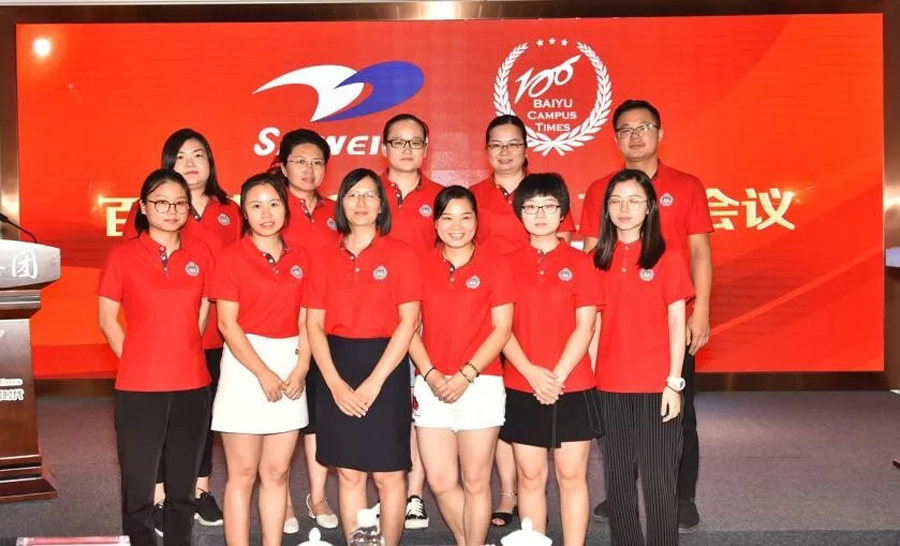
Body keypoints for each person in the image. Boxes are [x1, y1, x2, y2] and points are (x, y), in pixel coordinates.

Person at [580, 100, 713, 532]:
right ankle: (622, 502)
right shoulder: (599, 194)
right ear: (615, 137)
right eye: (625, 129)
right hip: (614, 347)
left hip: (668, 331)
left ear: (659, 132)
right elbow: (591, 267)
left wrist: (701, 311)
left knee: (674, 422)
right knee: (617, 450)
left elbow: (700, 252)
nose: (635, 136)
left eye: (644, 127)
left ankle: (681, 496)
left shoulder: (686, 188)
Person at [123, 128, 239, 533]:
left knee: (202, 420)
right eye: (181, 156)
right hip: (165, 342)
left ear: (210, 162)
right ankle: (159, 497)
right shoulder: (155, 208)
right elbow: (134, 272)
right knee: (158, 424)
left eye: (199, 155)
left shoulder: (230, 210)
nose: (191, 163)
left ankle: (200, 490)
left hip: (219, 336)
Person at [306, 168, 422, 546]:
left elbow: (408, 323)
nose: (361, 202)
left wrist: (375, 382)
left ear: (381, 205)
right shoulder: (322, 257)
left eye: (370, 195)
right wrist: (335, 384)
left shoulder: (402, 254)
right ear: (340, 203)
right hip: (336, 366)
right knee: (349, 473)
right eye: (352, 194)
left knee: (389, 475)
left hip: (386, 366)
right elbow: (314, 325)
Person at [469, 115, 575, 527]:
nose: (505, 152)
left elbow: (566, 247)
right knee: (504, 400)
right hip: (491, 312)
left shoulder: (544, 191)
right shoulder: (475, 196)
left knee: (538, 395)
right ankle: (509, 492)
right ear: (486, 151)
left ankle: (533, 488)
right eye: (496, 145)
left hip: (542, 308)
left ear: (526, 149)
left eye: (513, 144)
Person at [98, 168, 213, 546]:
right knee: (139, 488)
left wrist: (182, 348)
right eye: (161, 202)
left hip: (192, 384)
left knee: (183, 488)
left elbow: (202, 312)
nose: (172, 210)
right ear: (143, 207)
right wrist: (135, 358)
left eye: (180, 203)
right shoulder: (123, 256)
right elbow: (107, 319)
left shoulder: (201, 254)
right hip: (139, 386)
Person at [592, 168, 693, 545]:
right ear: (606, 208)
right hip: (608, 386)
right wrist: (589, 381)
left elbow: (677, 322)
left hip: (656, 386)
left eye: (634, 201)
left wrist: (674, 383)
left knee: (658, 480)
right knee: (617, 481)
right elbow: (592, 326)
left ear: (649, 207)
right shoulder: (595, 260)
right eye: (616, 201)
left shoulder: (667, 257)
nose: (624, 209)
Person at [210, 173, 311, 546]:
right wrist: (263, 372)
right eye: (256, 205)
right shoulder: (230, 257)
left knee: (277, 473)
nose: (266, 213)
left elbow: (308, 320)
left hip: (291, 364)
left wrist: (301, 368)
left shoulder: (302, 258)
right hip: (244, 367)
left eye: (273, 204)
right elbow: (227, 323)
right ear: (244, 213)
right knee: (242, 474)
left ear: (286, 208)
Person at [501, 173, 602, 544]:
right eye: (530, 207)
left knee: (572, 476)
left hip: (572, 384)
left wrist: (555, 377)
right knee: (530, 477)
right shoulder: (504, 264)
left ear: (563, 213)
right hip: (521, 383)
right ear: (520, 213)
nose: (540, 214)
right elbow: (500, 329)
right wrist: (531, 373)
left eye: (548, 206)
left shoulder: (582, 262)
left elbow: (586, 326)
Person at [410, 185, 514, 546]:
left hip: (481, 383)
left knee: (475, 481)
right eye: (448, 218)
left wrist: (467, 374)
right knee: (440, 481)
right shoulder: (420, 264)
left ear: (476, 221)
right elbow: (409, 327)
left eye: (465, 217)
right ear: (436, 223)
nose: (457, 226)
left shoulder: (496, 264)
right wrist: (430, 373)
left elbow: (502, 329)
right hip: (431, 383)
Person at [381, 113, 445, 530]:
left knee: (418, 405)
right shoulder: (365, 192)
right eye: (398, 142)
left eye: (414, 142)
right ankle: (384, 487)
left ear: (425, 148)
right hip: (371, 319)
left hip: (423, 320)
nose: (406, 150)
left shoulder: (439, 198)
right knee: (382, 405)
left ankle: (414, 494)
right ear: (383, 147)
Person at [275, 128, 340, 532]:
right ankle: (281, 502)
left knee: (319, 418)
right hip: (281, 328)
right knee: (283, 420)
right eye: (300, 161)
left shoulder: (337, 211)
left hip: (327, 327)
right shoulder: (271, 206)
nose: (308, 169)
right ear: (283, 167)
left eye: (317, 162)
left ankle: (317, 497)